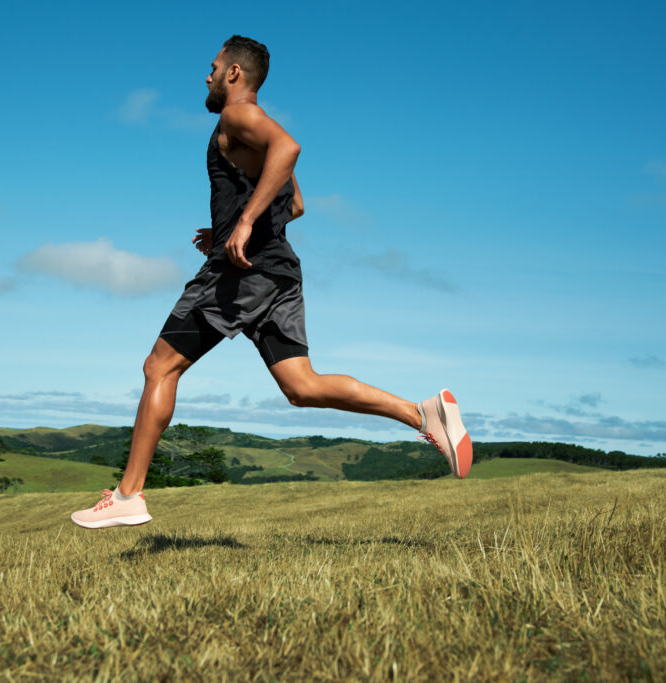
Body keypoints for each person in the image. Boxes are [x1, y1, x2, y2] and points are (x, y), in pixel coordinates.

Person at [71, 35, 472, 529]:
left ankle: (129, 493)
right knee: (301, 386)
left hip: (243, 271)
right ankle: (422, 413)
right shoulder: (253, 139)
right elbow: (296, 204)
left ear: (235, 74)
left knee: (159, 367)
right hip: (278, 269)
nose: (208, 75)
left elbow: (289, 147)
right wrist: (232, 221)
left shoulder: (237, 117)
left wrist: (241, 225)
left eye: (214, 66)